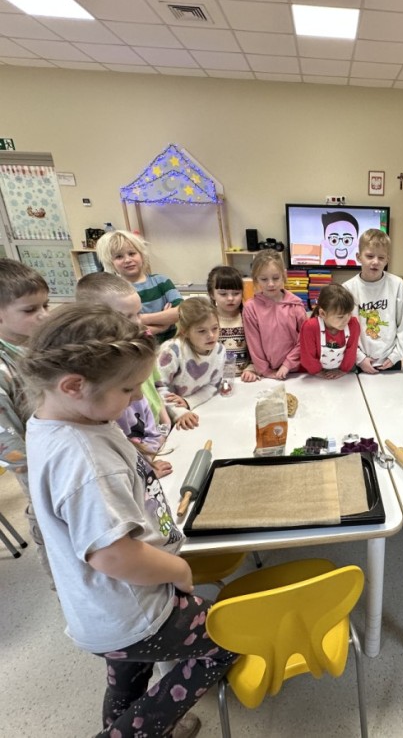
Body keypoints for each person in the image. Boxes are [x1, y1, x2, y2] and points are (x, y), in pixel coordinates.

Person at [22, 303, 237, 737]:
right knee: (227, 639)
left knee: (129, 675)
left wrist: (136, 464)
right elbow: (114, 556)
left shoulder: (60, 420)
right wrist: (178, 570)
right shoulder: (84, 460)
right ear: (74, 385)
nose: (139, 397)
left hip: (105, 613)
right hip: (135, 610)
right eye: (128, 388)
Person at [76, 272, 172, 478]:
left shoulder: (139, 347)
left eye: (138, 313)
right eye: (126, 316)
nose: (138, 323)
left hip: (150, 442)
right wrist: (145, 468)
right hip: (132, 463)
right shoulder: (99, 376)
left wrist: (164, 428)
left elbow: (151, 392)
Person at [0, 258, 50, 576]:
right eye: (31, 310)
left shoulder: (38, 346)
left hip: (66, 460)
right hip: (42, 475)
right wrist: (50, 469)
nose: (43, 315)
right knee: (56, 538)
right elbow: (8, 447)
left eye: (45, 305)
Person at [96, 229, 183, 342]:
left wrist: (140, 319)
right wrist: (162, 325)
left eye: (132, 253)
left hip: (169, 345)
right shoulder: (113, 292)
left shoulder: (162, 281)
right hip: (137, 348)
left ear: (142, 255)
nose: (127, 260)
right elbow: (125, 331)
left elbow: (181, 312)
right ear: (110, 262)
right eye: (119, 256)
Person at [343, 228, 403, 373]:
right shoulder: (347, 289)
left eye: (381, 257)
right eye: (369, 256)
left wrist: (396, 355)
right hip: (359, 362)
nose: (375, 262)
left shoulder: (398, 285)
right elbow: (343, 328)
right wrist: (359, 358)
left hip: (391, 361)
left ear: (387, 259)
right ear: (358, 257)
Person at [156, 297, 225, 430]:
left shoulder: (220, 351)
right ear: (185, 332)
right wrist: (179, 412)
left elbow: (213, 385)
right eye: (202, 331)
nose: (211, 335)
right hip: (165, 417)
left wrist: (188, 402)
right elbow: (156, 388)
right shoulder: (171, 351)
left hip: (193, 410)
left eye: (215, 328)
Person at [242, 250, 305, 379]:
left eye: (275, 278)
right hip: (267, 374)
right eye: (264, 279)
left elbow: (304, 339)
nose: (271, 284)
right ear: (256, 279)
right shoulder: (251, 308)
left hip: (297, 371)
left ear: (284, 275)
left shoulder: (296, 305)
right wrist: (265, 371)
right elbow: (254, 344)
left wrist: (288, 364)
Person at [206, 264, 258, 382]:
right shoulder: (206, 321)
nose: (230, 298)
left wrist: (251, 369)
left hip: (244, 380)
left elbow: (258, 350)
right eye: (223, 294)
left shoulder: (249, 317)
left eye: (236, 293)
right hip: (214, 382)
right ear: (212, 294)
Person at [299, 283, 360, 378]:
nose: (347, 320)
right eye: (340, 317)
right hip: (315, 374)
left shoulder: (353, 324)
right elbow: (307, 355)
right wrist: (317, 371)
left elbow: (351, 351)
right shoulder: (310, 327)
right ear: (323, 313)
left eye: (349, 314)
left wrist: (343, 370)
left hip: (344, 373)